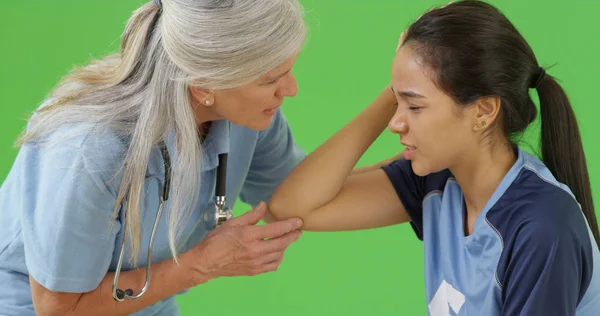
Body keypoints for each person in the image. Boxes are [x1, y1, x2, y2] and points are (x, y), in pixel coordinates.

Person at [0, 0, 395, 315]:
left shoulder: (244, 119)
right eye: (270, 79)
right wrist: (202, 262)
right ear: (204, 84)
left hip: (145, 305)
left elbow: (305, 199)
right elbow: (59, 309)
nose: (290, 89)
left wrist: (397, 99)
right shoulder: (90, 150)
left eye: (287, 71)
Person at [268, 1, 600, 315]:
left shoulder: (541, 226)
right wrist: (398, 89)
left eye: (414, 106)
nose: (395, 123)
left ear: (483, 111)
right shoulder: (436, 181)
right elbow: (293, 208)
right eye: (397, 103)